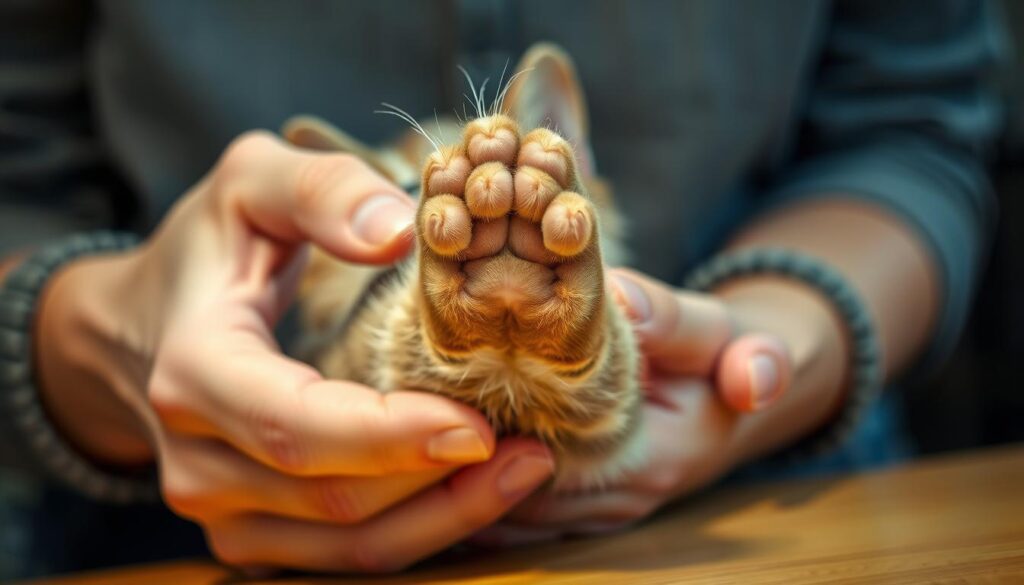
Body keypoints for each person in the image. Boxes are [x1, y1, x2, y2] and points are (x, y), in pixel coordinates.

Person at [0, 0, 1006, 578]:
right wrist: (112, 340)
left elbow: (912, 128)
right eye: (420, 214)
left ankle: (488, 338)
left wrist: (776, 338)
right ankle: (530, 340)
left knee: (411, 352)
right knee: (373, 346)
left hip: (768, 500)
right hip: (170, 530)